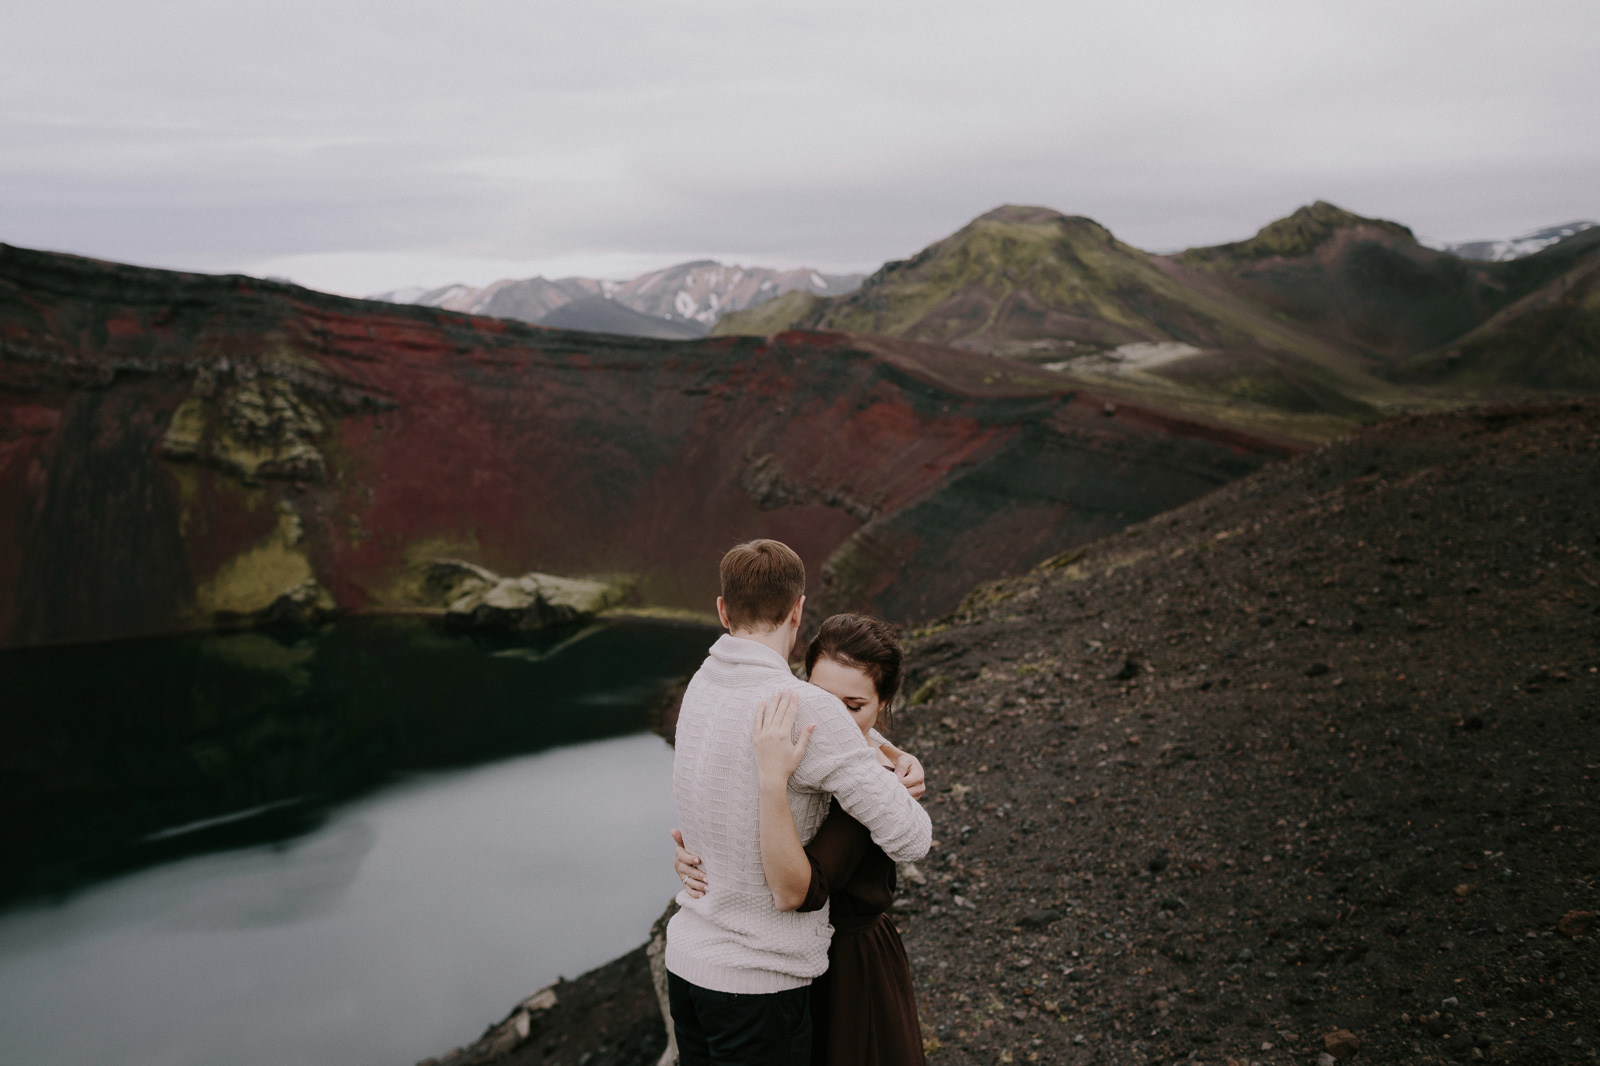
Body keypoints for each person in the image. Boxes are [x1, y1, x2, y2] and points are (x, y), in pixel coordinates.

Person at [665, 541, 932, 1066]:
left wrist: (883, 749)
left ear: (722, 610)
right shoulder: (802, 706)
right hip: (757, 984)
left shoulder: (703, 684)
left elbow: (716, 798)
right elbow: (913, 837)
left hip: (689, 963)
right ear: (797, 611)